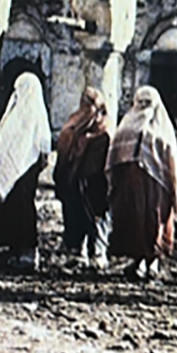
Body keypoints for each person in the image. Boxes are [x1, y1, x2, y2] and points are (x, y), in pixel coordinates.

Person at [106, 86, 177, 280]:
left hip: (152, 185)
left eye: (146, 103)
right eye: (141, 103)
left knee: (150, 220)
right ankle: (142, 260)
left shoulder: (135, 128)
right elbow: (114, 156)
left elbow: (170, 162)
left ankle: (151, 261)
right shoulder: (129, 128)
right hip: (138, 185)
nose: (143, 108)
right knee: (139, 221)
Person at [0, 72, 51, 270]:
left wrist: (32, 164)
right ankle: (14, 247)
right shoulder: (14, 113)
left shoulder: (35, 114)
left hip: (27, 169)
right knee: (11, 206)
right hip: (12, 168)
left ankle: (28, 251)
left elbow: (42, 145)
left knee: (24, 208)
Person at [53, 87, 111, 269]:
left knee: (96, 218)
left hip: (94, 182)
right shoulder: (73, 126)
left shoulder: (103, 129)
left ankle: (97, 253)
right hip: (75, 181)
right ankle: (81, 250)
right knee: (78, 216)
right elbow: (64, 149)